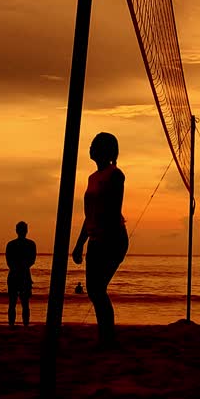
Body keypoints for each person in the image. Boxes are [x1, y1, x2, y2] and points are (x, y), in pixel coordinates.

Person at [72, 132, 127, 347]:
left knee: (97, 290)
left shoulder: (116, 175)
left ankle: (107, 338)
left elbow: (113, 211)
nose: (91, 147)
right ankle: (105, 337)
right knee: (95, 291)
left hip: (112, 238)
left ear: (105, 150)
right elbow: (90, 215)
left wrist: (104, 239)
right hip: (95, 238)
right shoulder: (92, 178)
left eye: (95, 144)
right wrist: (79, 244)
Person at [6, 221, 37, 327]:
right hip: (24, 275)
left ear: (16, 231)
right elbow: (32, 261)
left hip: (14, 275)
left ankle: (12, 325)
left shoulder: (11, 244)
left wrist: (17, 266)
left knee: (13, 303)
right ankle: (25, 325)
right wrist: (23, 266)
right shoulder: (31, 244)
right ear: (26, 231)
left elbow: (9, 262)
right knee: (24, 304)